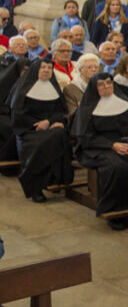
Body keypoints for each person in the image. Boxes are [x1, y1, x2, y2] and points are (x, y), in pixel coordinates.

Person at [74, 73, 128, 228]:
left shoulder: (125, 104)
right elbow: (85, 136)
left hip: (125, 145)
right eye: (101, 84)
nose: (106, 86)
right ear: (95, 88)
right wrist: (111, 145)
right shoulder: (87, 108)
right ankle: (114, 211)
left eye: (109, 83)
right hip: (98, 148)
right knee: (117, 167)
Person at [11, 58, 72, 202]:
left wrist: (50, 122)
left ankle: (50, 180)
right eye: (43, 67)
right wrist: (38, 125)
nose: (46, 70)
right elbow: (19, 116)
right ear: (36, 70)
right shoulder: (23, 90)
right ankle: (34, 185)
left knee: (59, 134)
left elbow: (61, 111)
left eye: (49, 68)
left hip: (50, 128)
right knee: (41, 144)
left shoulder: (54, 88)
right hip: (29, 130)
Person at [63, 53, 99, 119]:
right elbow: (73, 114)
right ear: (80, 70)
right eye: (89, 67)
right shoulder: (70, 89)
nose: (94, 70)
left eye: (96, 67)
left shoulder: (101, 85)